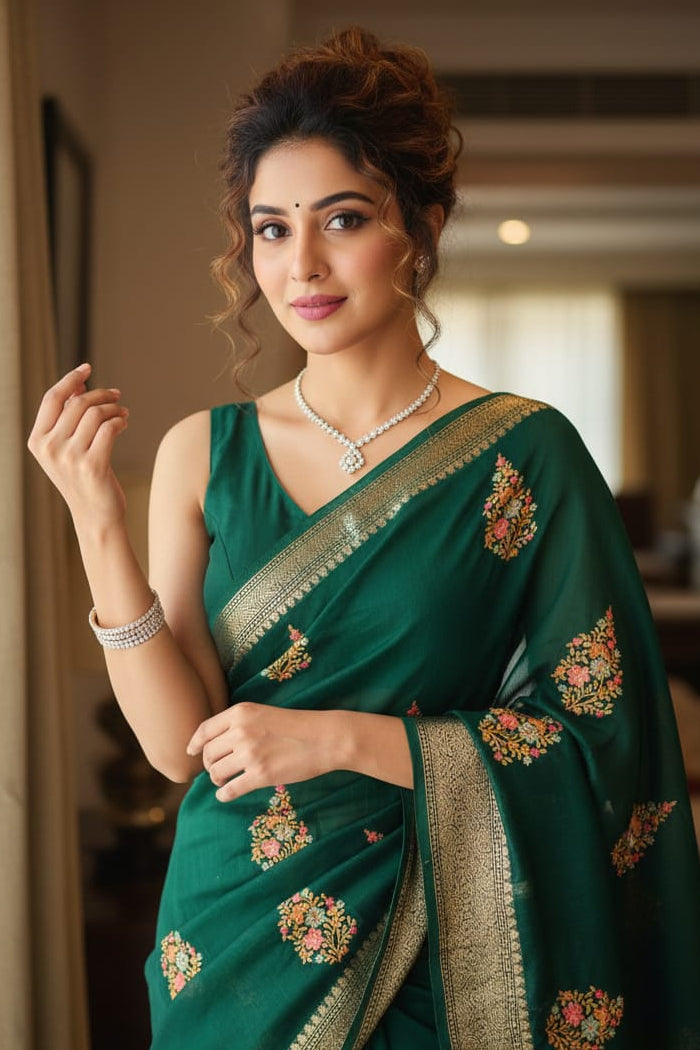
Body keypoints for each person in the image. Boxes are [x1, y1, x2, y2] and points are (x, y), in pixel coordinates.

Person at [28, 26, 700, 1050]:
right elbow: (177, 749)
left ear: (421, 227)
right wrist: (93, 521)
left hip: (443, 936)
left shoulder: (525, 453)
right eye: (270, 229)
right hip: (234, 931)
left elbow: (602, 738)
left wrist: (338, 739)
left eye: (342, 218)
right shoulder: (205, 451)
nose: (301, 264)